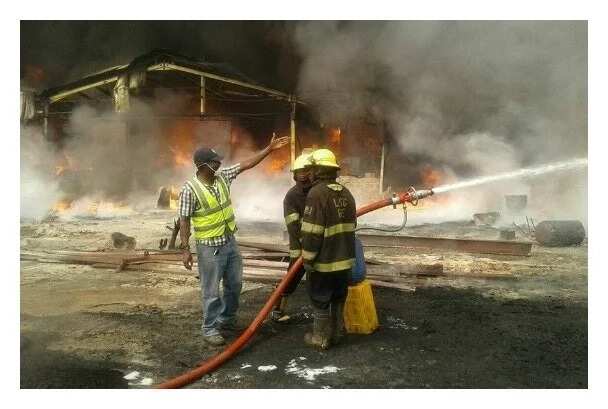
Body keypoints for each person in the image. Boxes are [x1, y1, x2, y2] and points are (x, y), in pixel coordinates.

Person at [179, 134, 289, 346]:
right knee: (211, 291)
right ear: (203, 166)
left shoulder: (223, 177)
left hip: (229, 242)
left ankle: (227, 320)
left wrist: (268, 149)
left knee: (235, 284)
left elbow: (246, 164)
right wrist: (185, 249)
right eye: (214, 162)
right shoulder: (190, 190)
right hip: (209, 249)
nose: (219, 164)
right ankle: (209, 328)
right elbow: (184, 220)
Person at [300, 148, 357, 349]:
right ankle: (337, 333)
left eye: (311, 169)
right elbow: (352, 227)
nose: (309, 173)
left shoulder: (317, 194)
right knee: (339, 295)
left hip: (324, 262)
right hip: (344, 261)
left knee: (320, 298)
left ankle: (320, 338)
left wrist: (307, 259)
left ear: (318, 170)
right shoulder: (346, 193)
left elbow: (311, 232)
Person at [271, 152, 313, 322]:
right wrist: (307, 244)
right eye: (300, 172)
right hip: (300, 248)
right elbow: (293, 226)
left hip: (318, 245)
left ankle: (325, 313)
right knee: (291, 279)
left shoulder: (317, 192)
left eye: (306, 171)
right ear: (295, 175)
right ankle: (278, 310)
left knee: (322, 280)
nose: (303, 176)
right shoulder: (292, 196)